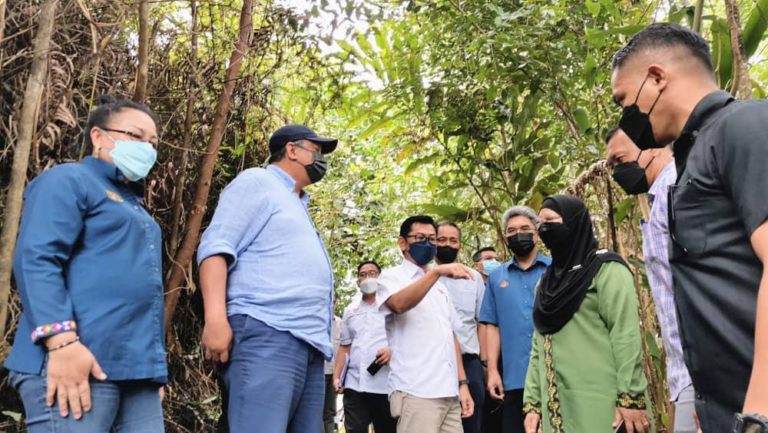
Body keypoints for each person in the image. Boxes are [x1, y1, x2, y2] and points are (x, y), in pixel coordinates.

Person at [611, 23, 768, 432]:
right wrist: (705, 398)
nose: (626, 117)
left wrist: (758, 411)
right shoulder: (691, 160)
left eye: (625, 101)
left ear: (656, 77)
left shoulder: (744, 125)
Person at [4, 96, 167, 432]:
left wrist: (152, 369)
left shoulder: (133, 205)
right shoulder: (69, 179)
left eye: (153, 143)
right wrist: (61, 341)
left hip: (136, 372)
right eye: (136, 136)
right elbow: (38, 257)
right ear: (98, 136)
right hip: (76, 357)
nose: (147, 148)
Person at [197, 125, 338, 432]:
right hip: (267, 332)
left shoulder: (296, 202)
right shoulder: (258, 182)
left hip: (310, 344)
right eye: (315, 150)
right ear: (291, 150)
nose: (321, 159)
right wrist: (215, 318)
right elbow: (215, 249)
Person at [523, 195, 649, 433]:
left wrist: (630, 396)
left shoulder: (606, 270)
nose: (544, 228)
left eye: (551, 221)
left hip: (604, 404)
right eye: (540, 223)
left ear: (574, 224)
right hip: (558, 409)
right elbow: (537, 347)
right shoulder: (546, 284)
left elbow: (625, 334)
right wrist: (533, 403)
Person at [606, 127, 696, 433]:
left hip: (704, 371)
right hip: (687, 373)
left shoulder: (677, 191)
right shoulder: (658, 199)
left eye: (620, 159)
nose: (617, 171)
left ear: (652, 148)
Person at [376, 215, 475, 433]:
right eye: (420, 238)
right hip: (416, 391)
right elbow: (399, 304)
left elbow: (451, 336)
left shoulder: (439, 287)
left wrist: (462, 385)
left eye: (432, 239)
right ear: (403, 243)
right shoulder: (392, 277)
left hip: (449, 392)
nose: (428, 244)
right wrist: (437, 272)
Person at [480, 206, 551, 433]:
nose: (518, 234)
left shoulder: (555, 268)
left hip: (555, 376)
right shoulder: (496, 278)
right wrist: (492, 370)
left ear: (536, 233)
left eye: (524, 228)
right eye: (511, 230)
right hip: (515, 378)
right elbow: (492, 325)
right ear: (505, 237)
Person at [435, 222, 487, 433]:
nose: (447, 245)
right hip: (433, 363)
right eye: (441, 240)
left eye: (453, 240)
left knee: (471, 423)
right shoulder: (422, 278)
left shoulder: (473, 278)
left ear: (460, 245)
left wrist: (485, 364)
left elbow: (482, 323)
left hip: (469, 362)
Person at [333, 261, 396, 433]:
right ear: (358, 281)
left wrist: (392, 351)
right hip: (354, 384)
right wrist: (337, 377)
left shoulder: (392, 306)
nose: (367, 277)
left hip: (384, 384)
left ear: (380, 278)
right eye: (363, 274)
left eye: (372, 273)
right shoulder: (350, 310)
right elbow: (345, 346)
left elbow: (405, 338)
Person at [323, 307, 342, 433]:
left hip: (334, 374)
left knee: (330, 411)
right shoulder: (319, 320)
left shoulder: (340, 323)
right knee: (315, 410)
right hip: (319, 373)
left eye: (334, 301)